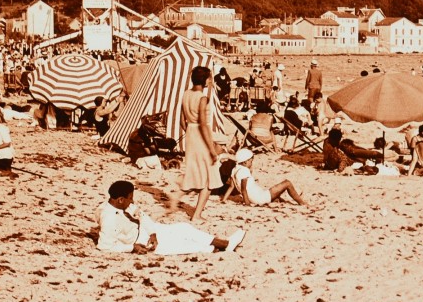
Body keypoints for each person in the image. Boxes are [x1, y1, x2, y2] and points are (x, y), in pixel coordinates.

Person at [97, 180, 245, 255]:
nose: (132, 201)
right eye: (130, 198)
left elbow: (143, 217)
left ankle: (225, 244)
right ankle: (219, 248)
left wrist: (153, 232)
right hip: (139, 241)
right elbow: (105, 246)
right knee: (181, 243)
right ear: (121, 199)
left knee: (183, 228)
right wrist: (132, 247)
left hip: (146, 232)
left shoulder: (124, 205)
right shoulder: (109, 218)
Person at [174, 65, 223, 223]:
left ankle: (177, 197)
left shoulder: (186, 94)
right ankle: (197, 215)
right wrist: (211, 149)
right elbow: (204, 124)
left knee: (195, 172)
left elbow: (182, 121)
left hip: (190, 134)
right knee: (209, 178)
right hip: (201, 135)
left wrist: (190, 130)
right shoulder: (203, 98)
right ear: (206, 80)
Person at [225, 148, 307, 206]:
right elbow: (244, 190)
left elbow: (231, 186)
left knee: (276, 194)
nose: (251, 163)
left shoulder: (234, 170)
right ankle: (302, 202)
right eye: (250, 161)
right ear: (245, 161)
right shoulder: (245, 171)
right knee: (287, 183)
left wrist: (224, 200)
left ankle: (287, 199)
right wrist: (247, 204)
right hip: (260, 198)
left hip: (257, 197)